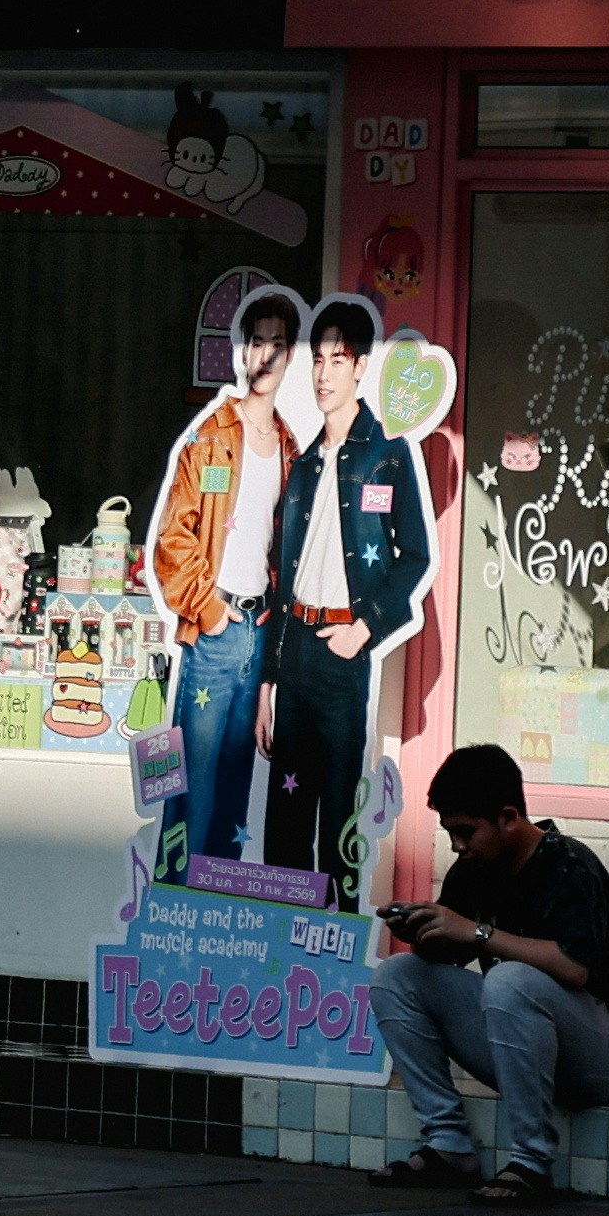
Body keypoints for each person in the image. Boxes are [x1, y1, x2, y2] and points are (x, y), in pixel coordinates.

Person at [366, 743, 609, 1206]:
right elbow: (453, 961)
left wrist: (477, 933)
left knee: (509, 979)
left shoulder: (567, 863)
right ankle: (449, 1146)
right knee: (396, 976)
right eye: (449, 833)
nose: (457, 846)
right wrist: (426, 932)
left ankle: (531, 1162)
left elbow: (576, 968)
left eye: (466, 832)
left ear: (508, 817)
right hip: (527, 1048)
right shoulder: (475, 867)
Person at [261, 295, 434, 882]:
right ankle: (283, 959)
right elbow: (280, 577)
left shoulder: (387, 457)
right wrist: (266, 680)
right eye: (318, 361)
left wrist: (364, 628)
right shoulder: (304, 464)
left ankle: (330, 962)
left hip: (342, 651)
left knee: (338, 819)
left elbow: (415, 557)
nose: (323, 374)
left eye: (339, 360)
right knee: (284, 821)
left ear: (361, 368)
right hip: (295, 654)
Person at [144, 289, 302, 870]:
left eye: (278, 345)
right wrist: (208, 611)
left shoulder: (290, 449)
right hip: (214, 633)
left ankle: (216, 924)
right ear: (241, 352)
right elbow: (171, 540)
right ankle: (173, 918)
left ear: (290, 358)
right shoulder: (210, 435)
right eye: (256, 341)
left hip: (257, 634)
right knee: (191, 793)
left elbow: (287, 553)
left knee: (235, 799)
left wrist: (270, 667)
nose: (265, 355)